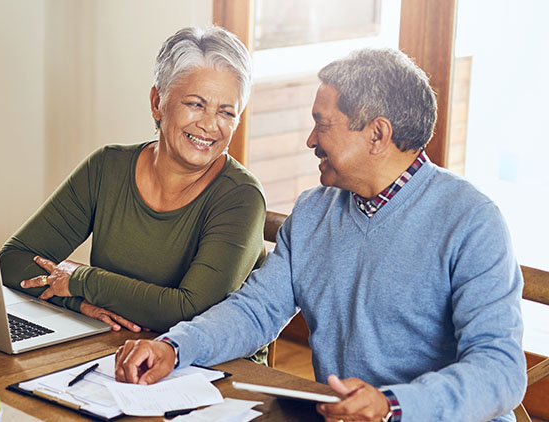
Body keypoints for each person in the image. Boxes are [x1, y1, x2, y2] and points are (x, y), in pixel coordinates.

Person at [114, 47, 526, 422]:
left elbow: (500, 371)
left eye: (322, 125)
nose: (311, 140)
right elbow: (255, 311)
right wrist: (175, 347)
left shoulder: (472, 221)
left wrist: (393, 406)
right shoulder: (314, 209)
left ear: (377, 135)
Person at [0, 26, 267, 337]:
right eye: (196, 104)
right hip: (111, 347)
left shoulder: (241, 197)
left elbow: (191, 311)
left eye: (226, 112)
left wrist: (80, 279)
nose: (209, 125)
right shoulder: (107, 167)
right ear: (157, 101)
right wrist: (78, 302)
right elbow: (13, 261)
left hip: (209, 368)